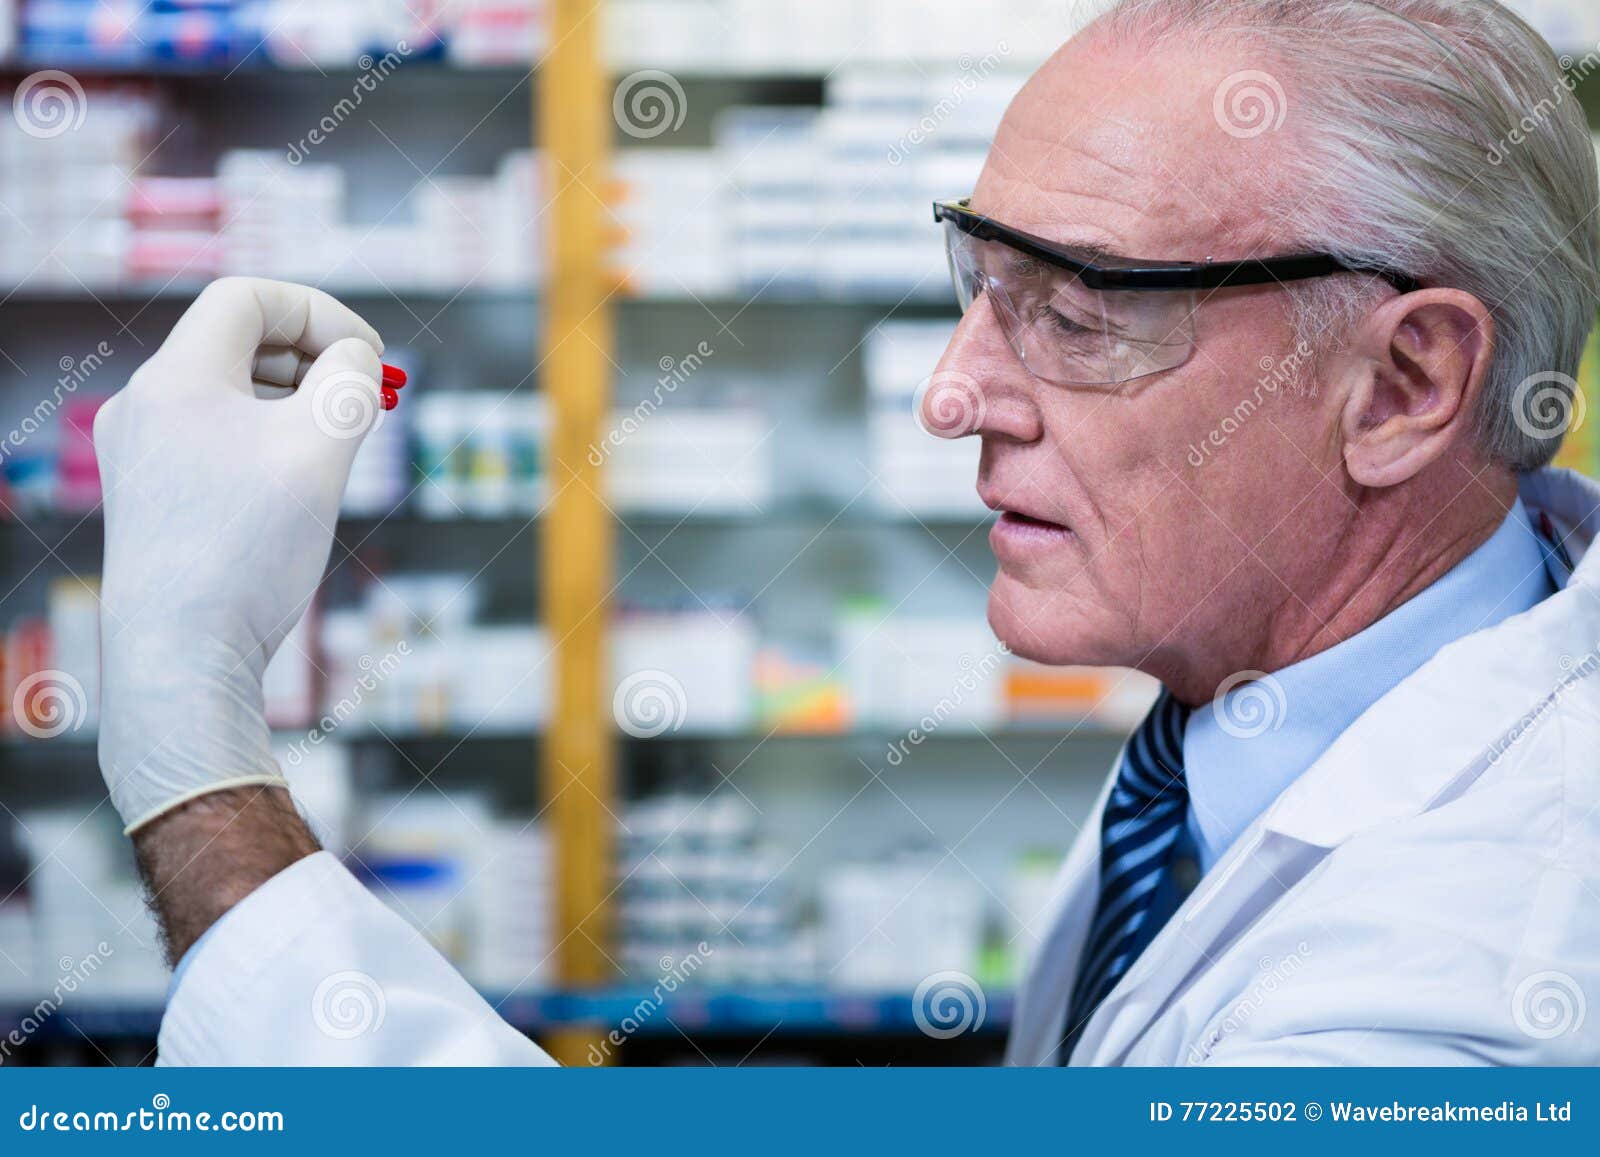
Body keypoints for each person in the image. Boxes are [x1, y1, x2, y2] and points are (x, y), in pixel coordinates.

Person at [93, 0, 1600, 1066]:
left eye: (1076, 315)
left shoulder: (1461, 988)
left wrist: (192, 743)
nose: (952, 396)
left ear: (1404, 384)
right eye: (979, 290)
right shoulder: (1259, 713)